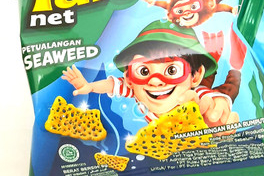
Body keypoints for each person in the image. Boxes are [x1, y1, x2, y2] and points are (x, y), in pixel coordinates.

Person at [62, 20, 238, 128]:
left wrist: (220, 103)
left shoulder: (191, 96)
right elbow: (113, 85)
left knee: (226, 85)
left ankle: (222, 62)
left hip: (193, 99)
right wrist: (89, 86)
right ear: (130, 78)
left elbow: (210, 99)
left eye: (171, 70)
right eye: (144, 71)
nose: (155, 82)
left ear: (195, 75)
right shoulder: (138, 89)